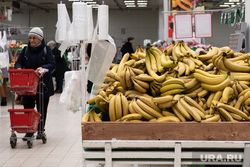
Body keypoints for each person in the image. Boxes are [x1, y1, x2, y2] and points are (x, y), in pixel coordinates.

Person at [15, 27, 56, 140]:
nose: (32, 40)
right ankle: (29, 131)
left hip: (44, 85)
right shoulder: (25, 50)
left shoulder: (46, 49)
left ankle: (40, 130)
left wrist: (43, 68)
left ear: (40, 39)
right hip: (28, 86)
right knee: (28, 109)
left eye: (34, 38)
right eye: (30, 38)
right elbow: (18, 62)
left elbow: (52, 64)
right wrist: (18, 68)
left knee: (42, 109)